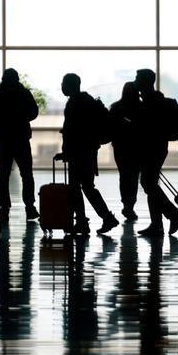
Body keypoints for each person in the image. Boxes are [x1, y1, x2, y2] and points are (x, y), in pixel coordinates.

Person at [55, 73, 119, 235]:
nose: (62, 87)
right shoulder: (87, 101)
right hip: (88, 150)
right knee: (85, 187)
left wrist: (67, 152)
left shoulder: (75, 103)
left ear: (70, 85)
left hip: (79, 152)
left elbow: (72, 132)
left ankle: (87, 221)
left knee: (78, 188)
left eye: (64, 83)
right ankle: (97, 219)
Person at [0, 68, 40, 223]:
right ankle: (30, 207)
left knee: (3, 175)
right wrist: (20, 117)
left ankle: (4, 208)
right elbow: (34, 112)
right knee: (27, 174)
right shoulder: (24, 93)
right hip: (21, 137)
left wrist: (1, 119)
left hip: (3, 138)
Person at [134, 68, 178, 237]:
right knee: (150, 184)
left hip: (150, 147)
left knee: (148, 183)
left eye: (138, 78)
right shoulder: (160, 101)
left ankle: (171, 214)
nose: (135, 81)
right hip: (158, 146)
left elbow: (143, 127)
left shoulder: (147, 103)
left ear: (145, 82)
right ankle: (157, 223)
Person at [109, 82, 142, 221]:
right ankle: (130, 205)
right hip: (136, 147)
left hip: (120, 147)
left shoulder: (116, 107)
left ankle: (126, 203)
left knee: (124, 176)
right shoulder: (141, 107)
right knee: (133, 177)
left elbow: (110, 127)